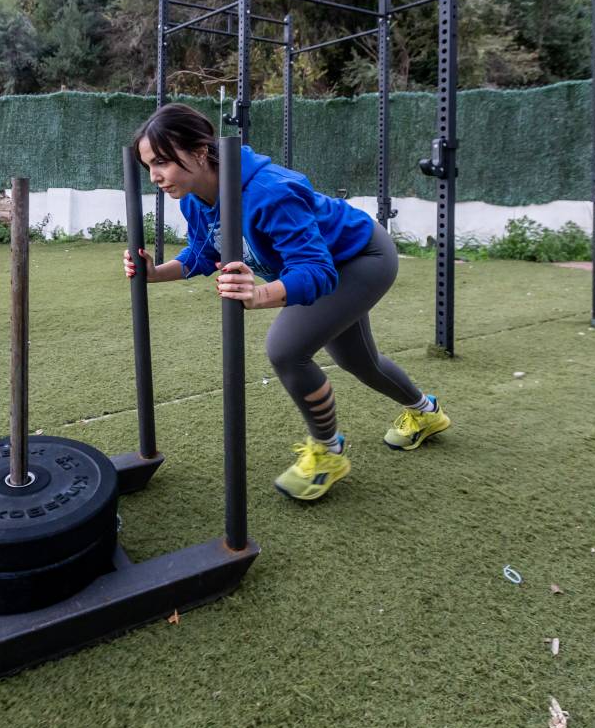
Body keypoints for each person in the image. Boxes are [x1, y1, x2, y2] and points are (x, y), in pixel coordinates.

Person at [123, 103, 450, 501]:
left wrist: (261, 294)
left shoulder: (271, 191)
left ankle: (328, 452)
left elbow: (316, 271)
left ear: (199, 151)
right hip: (329, 262)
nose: (155, 177)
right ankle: (426, 412)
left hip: (361, 257)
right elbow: (203, 252)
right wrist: (156, 273)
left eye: (161, 162)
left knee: (286, 349)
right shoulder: (194, 197)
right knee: (357, 359)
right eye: (148, 166)